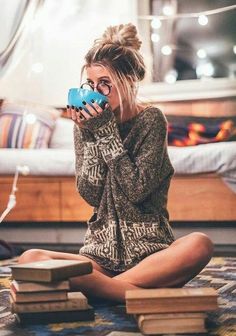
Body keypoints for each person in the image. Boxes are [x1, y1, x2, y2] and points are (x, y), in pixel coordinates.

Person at [18, 23, 213, 303]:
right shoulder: (86, 126)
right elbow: (91, 193)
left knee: (199, 244)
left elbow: (136, 189)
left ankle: (102, 288)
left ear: (129, 81)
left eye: (105, 83)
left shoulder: (151, 121)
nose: (97, 92)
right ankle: (130, 293)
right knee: (31, 258)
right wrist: (91, 133)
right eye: (91, 84)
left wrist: (106, 132)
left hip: (151, 256)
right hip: (99, 257)